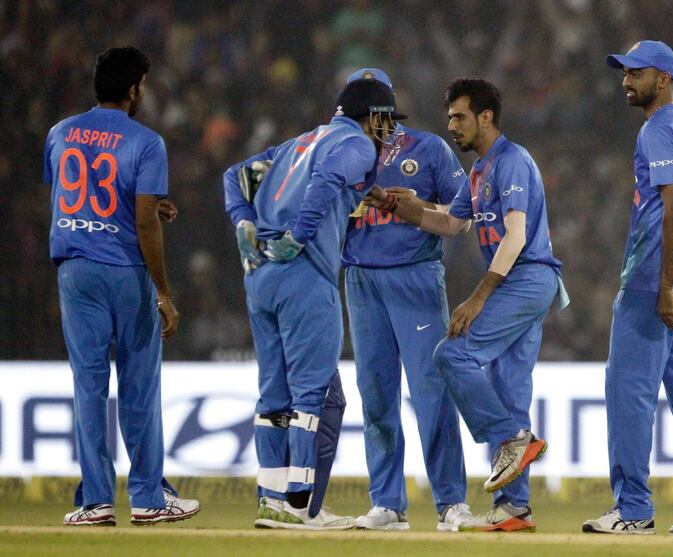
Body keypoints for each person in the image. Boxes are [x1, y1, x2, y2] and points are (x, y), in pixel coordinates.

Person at [367, 78, 568, 532]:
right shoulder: (478, 172)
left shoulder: (511, 162)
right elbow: (449, 223)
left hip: (527, 277)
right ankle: (514, 508)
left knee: (452, 352)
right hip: (523, 282)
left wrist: (478, 298)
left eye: (459, 116)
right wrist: (390, 203)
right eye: (449, 117)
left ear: (486, 117)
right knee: (509, 387)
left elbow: (516, 236)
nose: (451, 125)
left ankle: (511, 440)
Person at [223, 77, 404, 530]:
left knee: (273, 394)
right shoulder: (356, 145)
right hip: (304, 274)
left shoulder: (297, 143)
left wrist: (244, 223)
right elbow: (327, 182)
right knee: (310, 394)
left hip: (259, 277)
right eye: (386, 120)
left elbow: (234, 176)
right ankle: (300, 505)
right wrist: (298, 237)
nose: (389, 131)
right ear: (369, 115)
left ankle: (270, 499)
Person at [44, 47, 199, 526]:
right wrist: (164, 291)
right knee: (139, 387)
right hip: (127, 271)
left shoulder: (58, 134)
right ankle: (150, 498)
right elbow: (143, 225)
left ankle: (95, 501)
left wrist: (150, 205)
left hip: (76, 270)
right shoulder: (147, 142)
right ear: (134, 90)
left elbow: (79, 194)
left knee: (88, 387)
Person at [582, 40, 673, 535]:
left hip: (654, 282)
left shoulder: (658, 129)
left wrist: (663, 284)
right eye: (623, 72)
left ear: (663, 78)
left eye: (636, 73)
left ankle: (633, 510)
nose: (626, 81)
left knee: (628, 395)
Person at [341, 69, 471, 532]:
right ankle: (388, 504)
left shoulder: (428, 148)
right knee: (376, 395)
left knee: (431, 392)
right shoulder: (339, 151)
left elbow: (463, 214)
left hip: (414, 277)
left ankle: (451, 501)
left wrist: (416, 206)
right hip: (360, 279)